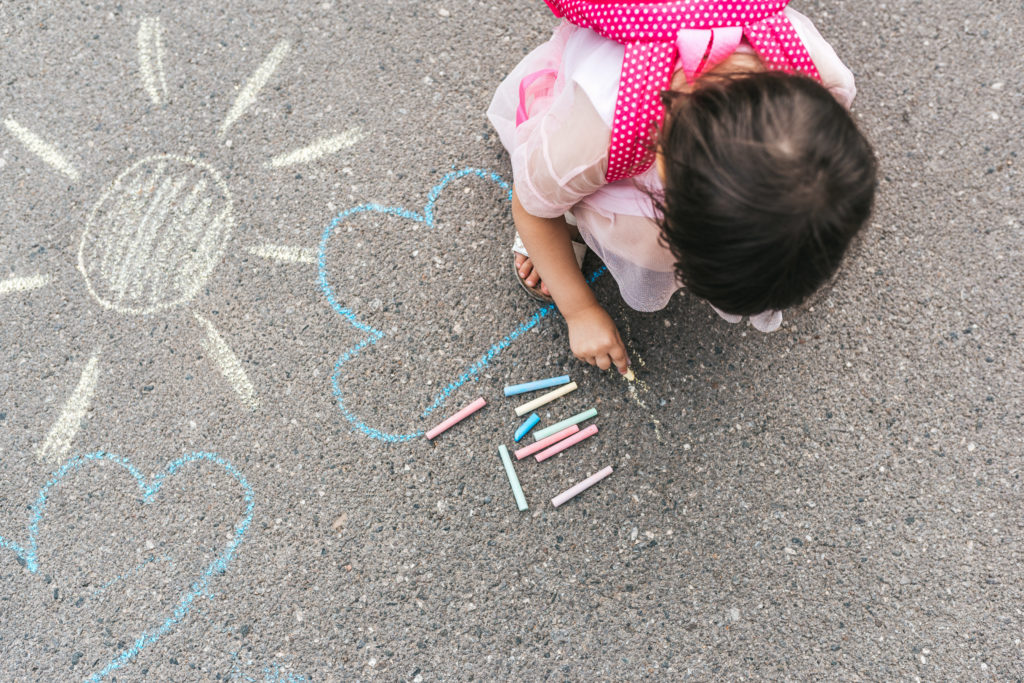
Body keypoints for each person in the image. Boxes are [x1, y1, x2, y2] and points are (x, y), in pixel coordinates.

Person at [487, 0, 877, 374]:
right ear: (660, 169)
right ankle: (572, 218)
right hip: (603, 94)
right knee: (572, 206)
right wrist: (579, 310)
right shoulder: (599, 131)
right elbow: (530, 205)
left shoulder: (812, 67)